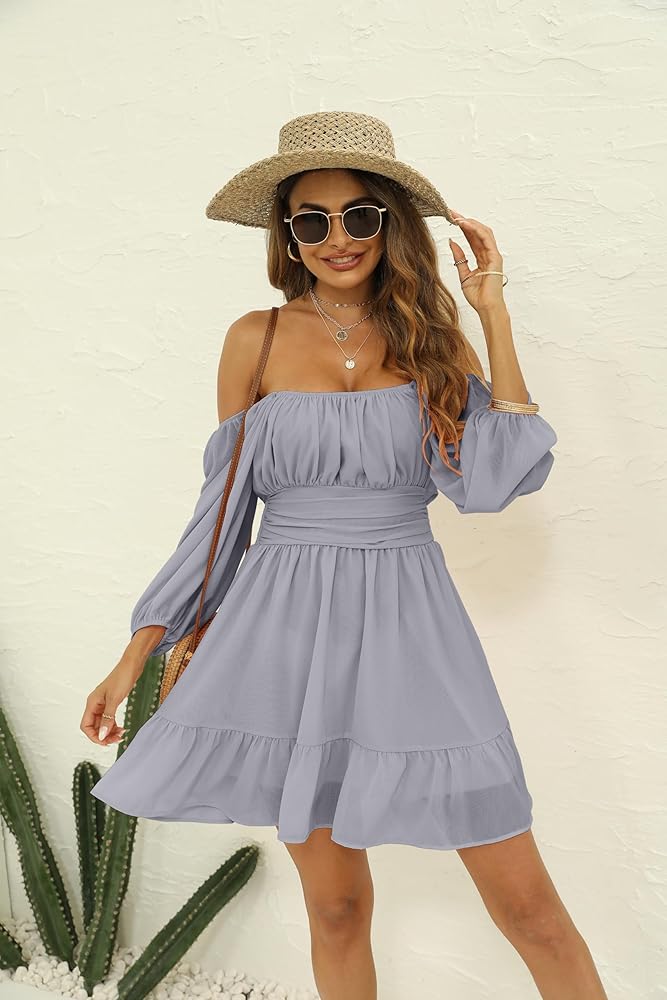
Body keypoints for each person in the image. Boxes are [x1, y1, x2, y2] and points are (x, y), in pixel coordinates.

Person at [81, 112, 608, 1000]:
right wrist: (140, 648)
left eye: (359, 215)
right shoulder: (253, 339)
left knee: (529, 910)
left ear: (389, 223)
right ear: (287, 234)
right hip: (281, 636)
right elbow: (220, 517)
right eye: (312, 220)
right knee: (334, 909)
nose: (337, 237)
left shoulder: (433, 341)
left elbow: (488, 483)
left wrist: (491, 313)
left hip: (412, 628)